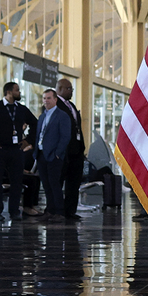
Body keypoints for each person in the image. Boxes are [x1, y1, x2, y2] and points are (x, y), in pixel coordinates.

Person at [0, 82, 38, 220]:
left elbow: (35, 123)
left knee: (17, 181)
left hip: (16, 149)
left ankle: (14, 211)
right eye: (17, 90)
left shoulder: (21, 109)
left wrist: (28, 140)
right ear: (9, 92)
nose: (20, 92)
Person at [35, 89, 71, 223]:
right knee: (46, 185)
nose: (46, 101)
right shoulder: (42, 116)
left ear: (55, 99)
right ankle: (49, 210)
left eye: (49, 98)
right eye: (44, 98)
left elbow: (65, 136)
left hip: (53, 156)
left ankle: (59, 212)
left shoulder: (62, 116)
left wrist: (58, 154)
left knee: (55, 184)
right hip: (41, 155)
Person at [56, 78, 85, 220]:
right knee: (59, 181)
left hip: (76, 151)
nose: (71, 91)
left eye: (72, 89)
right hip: (64, 151)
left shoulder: (71, 106)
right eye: (69, 89)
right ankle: (58, 210)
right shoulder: (55, 105)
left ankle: (70, 211)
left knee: (74, 183)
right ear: (60, 89)